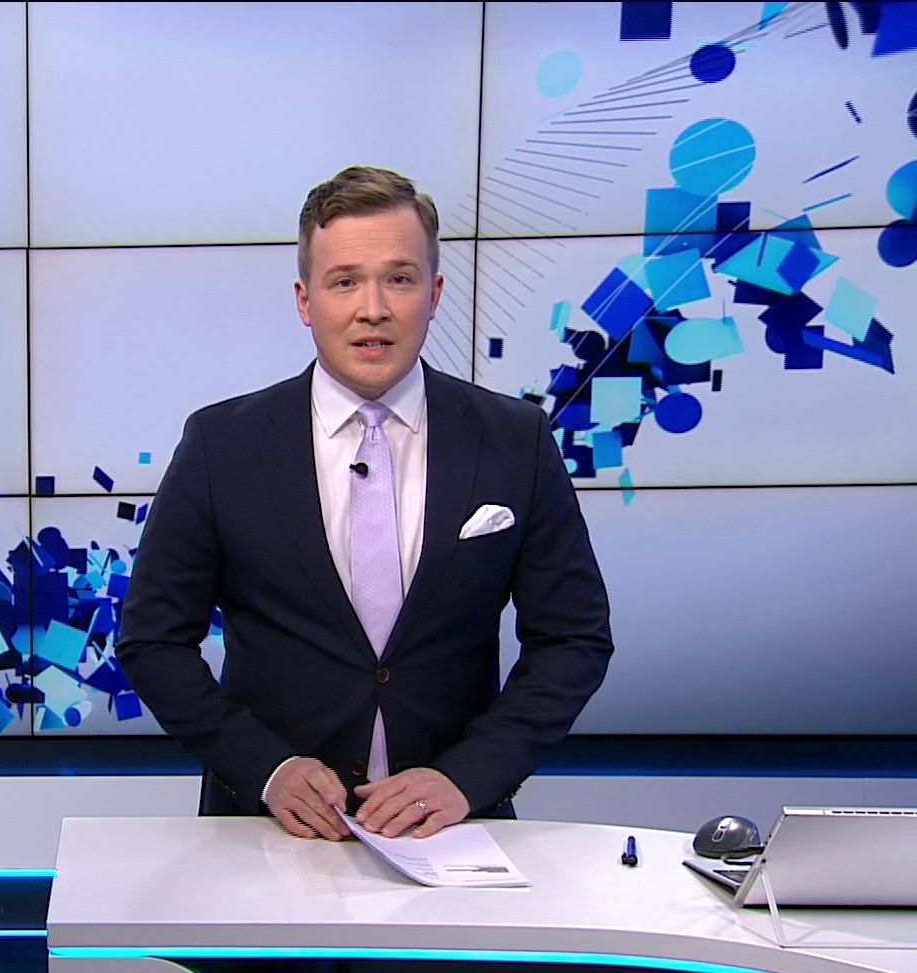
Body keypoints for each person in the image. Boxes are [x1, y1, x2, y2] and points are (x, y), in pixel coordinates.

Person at [114, 165, 613, 841]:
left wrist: (467, 776)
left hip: (452, 837)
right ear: (305, 300)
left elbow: (573, 639)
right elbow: (153, 640)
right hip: (268, 834)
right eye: (344, 281)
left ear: (434, 294)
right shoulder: (222, 445)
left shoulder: (513, 440)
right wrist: (265, 769)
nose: (372, 309)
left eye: (399, 279)